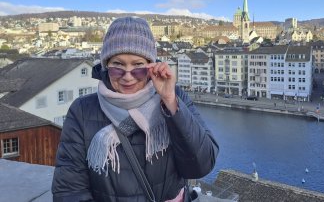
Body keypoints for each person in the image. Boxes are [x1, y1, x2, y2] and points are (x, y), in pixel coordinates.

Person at [52, 17, 219, 202]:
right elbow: (69, 192)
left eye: (138, 66)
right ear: (106, 65)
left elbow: (201, 166)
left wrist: (171, 102)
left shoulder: (174, 97)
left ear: (151, 66)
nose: (128, 77)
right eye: (118, 66)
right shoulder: (82, 111)